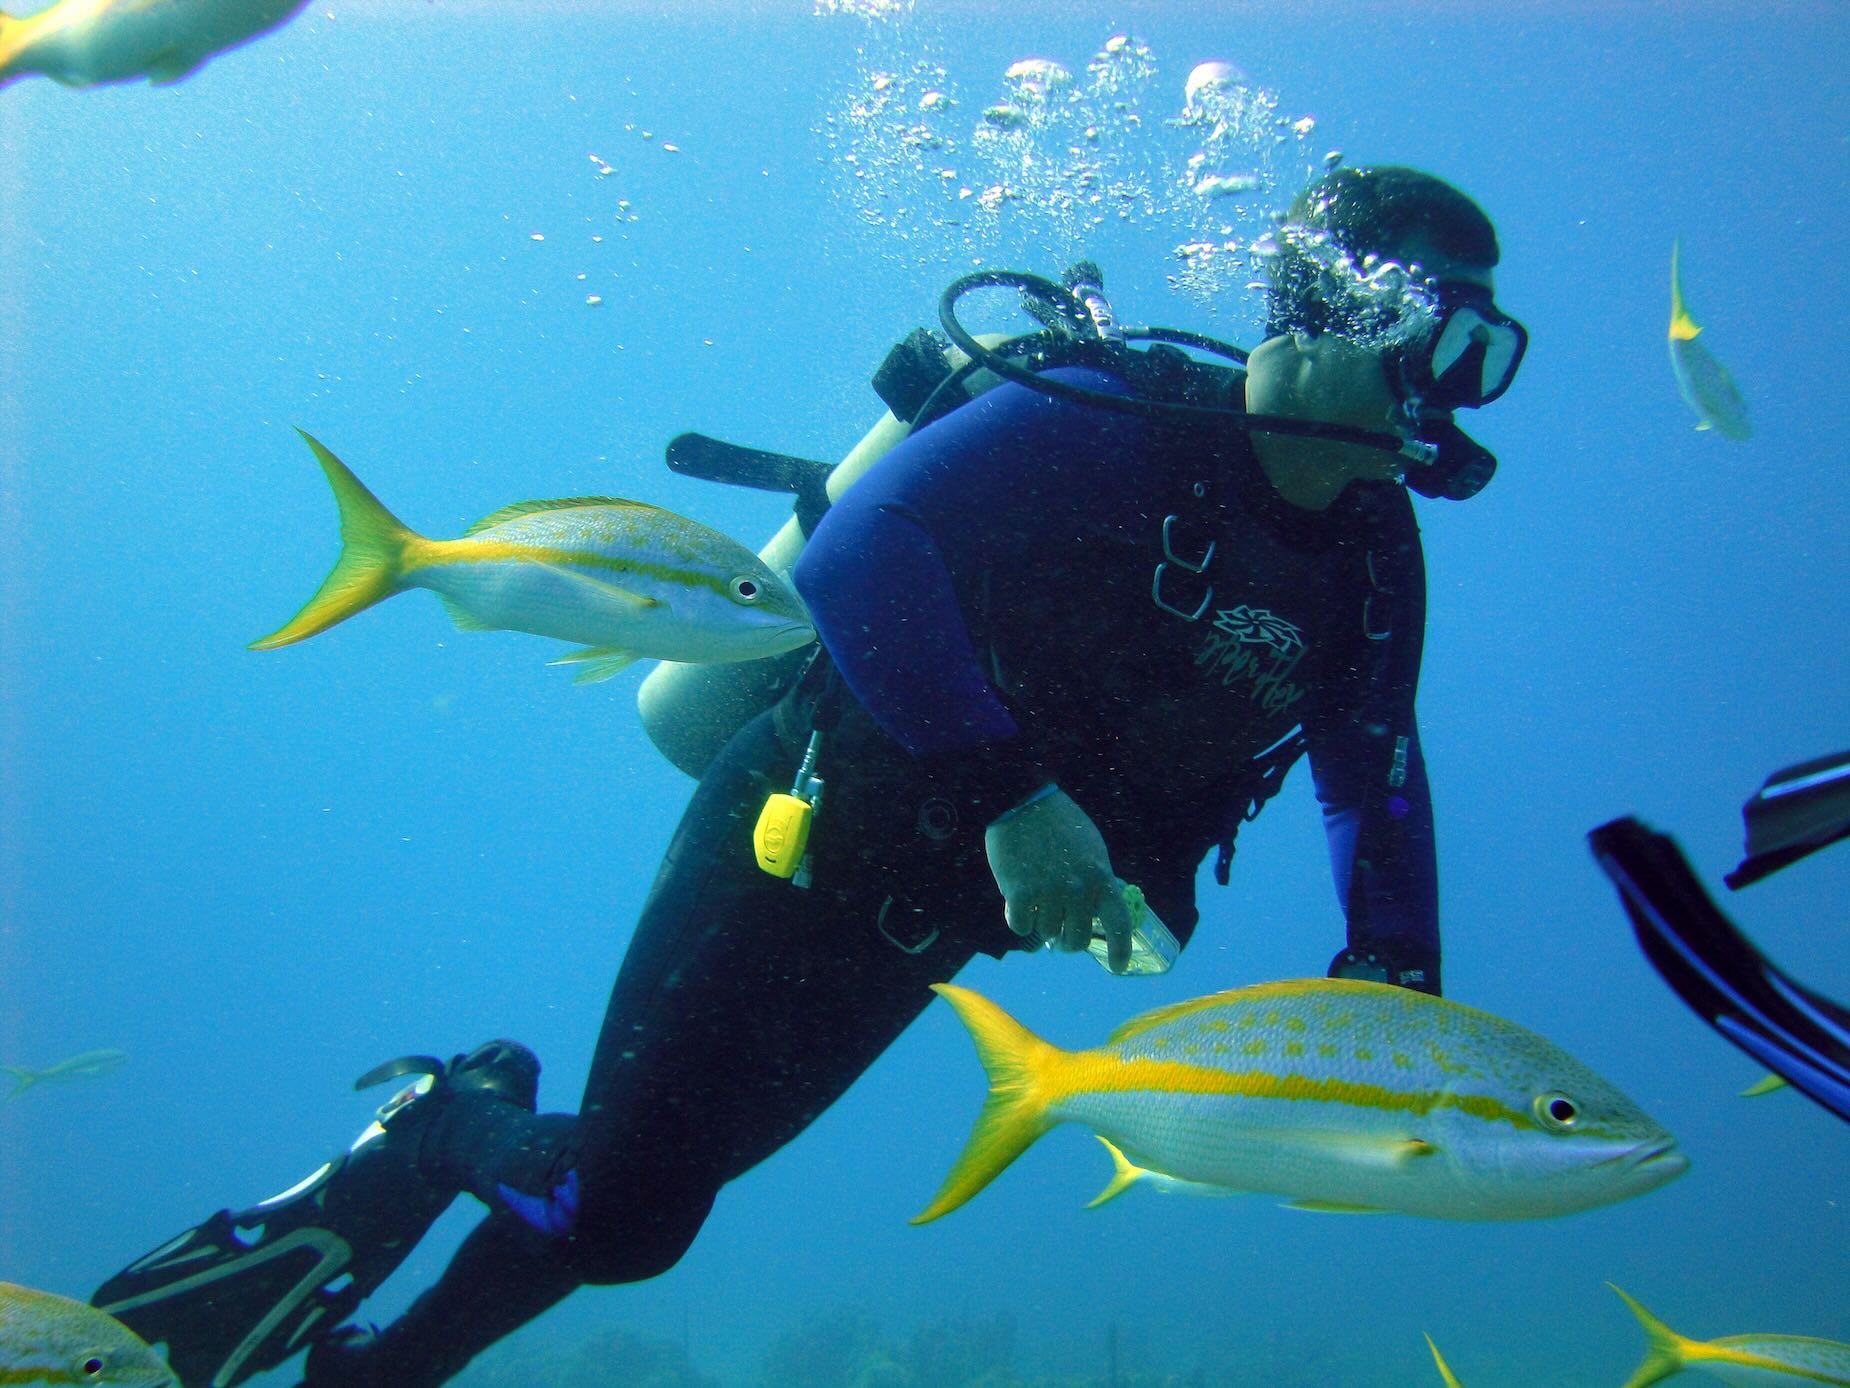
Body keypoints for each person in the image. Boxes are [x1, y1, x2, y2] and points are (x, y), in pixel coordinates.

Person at [93, 164, 1527, 1388]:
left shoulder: (1375, 553)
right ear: (1353, 308)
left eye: (1489, 362)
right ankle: (438, 1125)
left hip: (933, 921)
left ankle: (381, 1371)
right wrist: (1017, 805)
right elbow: (857, 558)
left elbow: (1371, 768)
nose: (1462, 399)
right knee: (630, 1212)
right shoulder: (1108, 415)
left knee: (641, 1197)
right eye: (1459, 345)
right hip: (799, 833)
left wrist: (1396, 981)